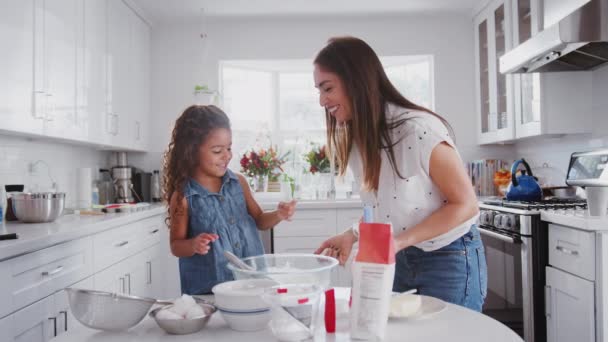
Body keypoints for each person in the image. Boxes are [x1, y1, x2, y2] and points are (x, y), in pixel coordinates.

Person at [312, 37, 487, 311]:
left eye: (328, 88)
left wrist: (398, 242)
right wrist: (352, 234)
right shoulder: (360, 138)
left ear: (356, 81)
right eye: (319, 91)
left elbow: (465, 205)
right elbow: (384, 205)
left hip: (448, 257)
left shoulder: (419, 130)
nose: (322, 100)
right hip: (401, 257)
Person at [163, 105, 297, 295]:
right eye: (217, 150)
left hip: (251, 284)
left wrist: (279, 214)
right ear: (191, 151)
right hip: (209, 291)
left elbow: (259, 219)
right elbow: (176, 245)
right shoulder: (184, 196)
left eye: (229, 148)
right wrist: (193, 245)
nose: (227, 155)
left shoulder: (238, 183)